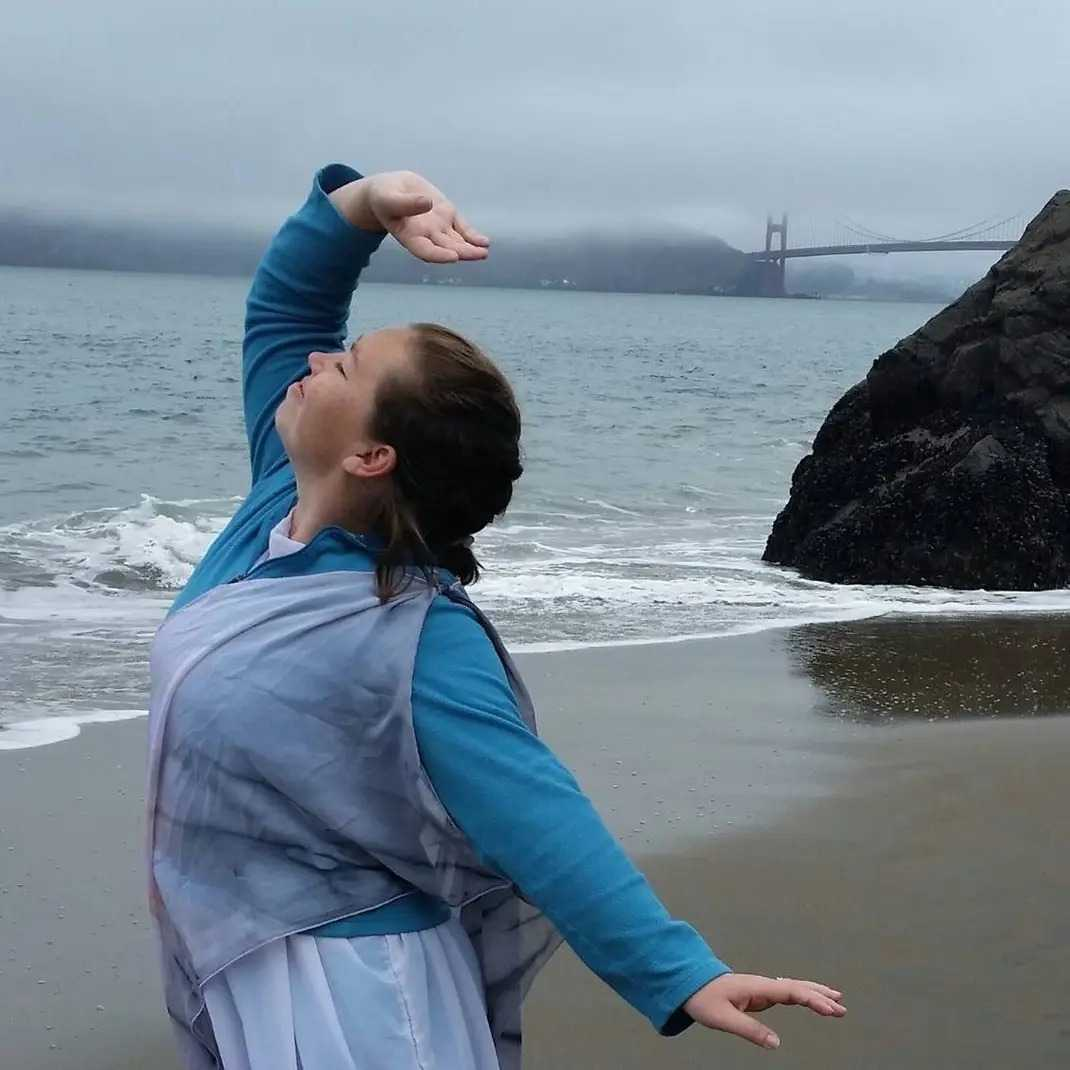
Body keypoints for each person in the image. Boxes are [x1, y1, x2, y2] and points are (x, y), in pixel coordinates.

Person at [146, 161, 846, 1070]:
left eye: (347, 366)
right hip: (240, 958)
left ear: (372, 454)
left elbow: (535, 811)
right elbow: (286, 313)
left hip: (355, 987)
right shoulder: (273, 508)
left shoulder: (415, 635)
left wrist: (675, 970)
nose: (319, 361)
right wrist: (365, 206)